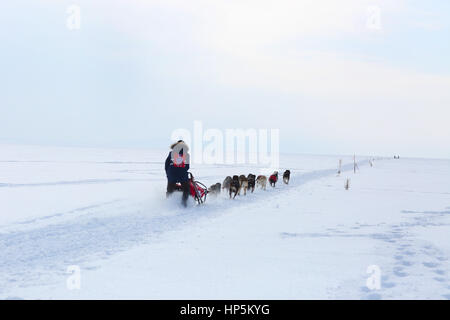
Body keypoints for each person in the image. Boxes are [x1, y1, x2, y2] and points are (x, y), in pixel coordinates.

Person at [165, 140, 191, 207]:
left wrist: (168, 174)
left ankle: (168, 203)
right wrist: (183, 171)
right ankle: (184, 203)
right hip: (182, 173)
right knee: (186, 188)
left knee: (169, 189)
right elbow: (187, 166)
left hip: (172, 173)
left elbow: (166, 164)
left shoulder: (171, 153)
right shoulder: (186, 154)